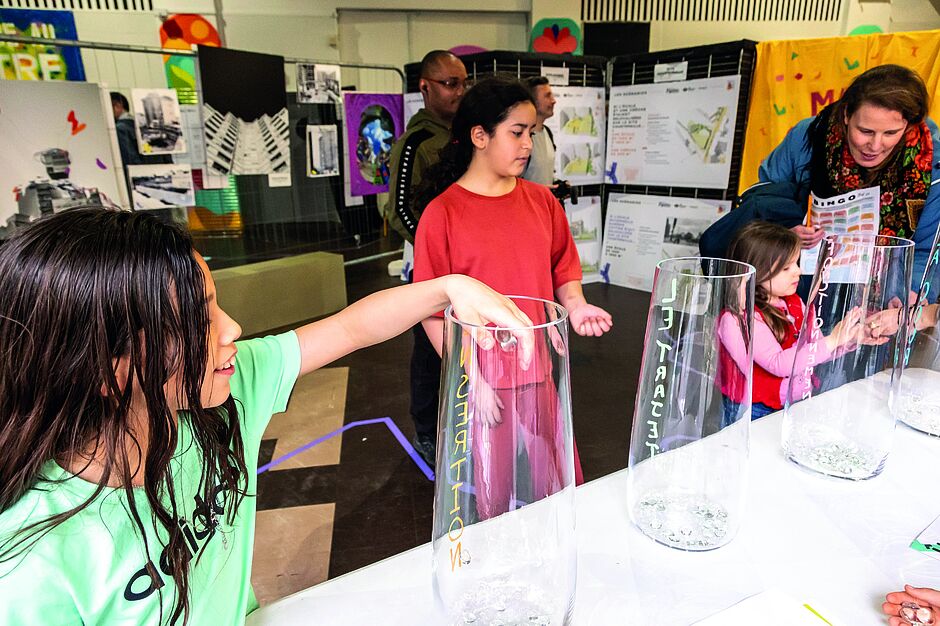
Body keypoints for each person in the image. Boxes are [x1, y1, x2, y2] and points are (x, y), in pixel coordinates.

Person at [0, 207, 534, 624]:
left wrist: (449, 288)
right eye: (197, 320)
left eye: (215, 303)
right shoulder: (30, 563)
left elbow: (351, 328)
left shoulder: (219, 403)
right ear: (109, 371)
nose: (231, 328)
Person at [412, 76, 613, 511]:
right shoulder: (442, 214)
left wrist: (575, 306)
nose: (527, 145)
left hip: (540, 366)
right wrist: (472, 381)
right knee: (492, 489)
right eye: (516, 133)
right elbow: (431, 313)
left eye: (532, 133)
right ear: (479, 136)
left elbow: (563, 266)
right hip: (482, 376)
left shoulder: (542, 202)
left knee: (559, 481)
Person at [758, 64, 940, 289]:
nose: (874, 145)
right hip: (798, 290)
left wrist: (909, 296)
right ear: (846, 115)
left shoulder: (930, 163)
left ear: (909, 126)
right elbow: (761, 203)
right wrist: (782, 233)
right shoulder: (807, 139)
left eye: (890, 133)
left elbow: (928, 252)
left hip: (885, 303)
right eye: (865, 131)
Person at [384, 50, 469, 466]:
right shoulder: (415, 142)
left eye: (463, 82)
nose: (459, 91)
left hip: (466, 267)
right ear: (425, 87)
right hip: (427, 267)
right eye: (450, 83)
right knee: (429, 349)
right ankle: (426, 431)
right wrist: (435, 248)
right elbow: (398, 210)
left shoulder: (466, 136)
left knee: (464, 343)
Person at [717, 222, 863, 424]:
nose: (798, 271)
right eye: (786, 268)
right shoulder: (736, 319)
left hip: (793, 401)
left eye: (796, 262)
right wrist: (833, 340)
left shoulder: (793, 302)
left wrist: (847, 340)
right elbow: (779, 364)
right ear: (756, 273)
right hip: (755, 409)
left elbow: (814, 349)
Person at [521, 76, 557, 187]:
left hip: (544, 203)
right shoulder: (522, 138)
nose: (553, 101)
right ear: (533, 102)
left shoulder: (547, 133)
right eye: (547, 96)